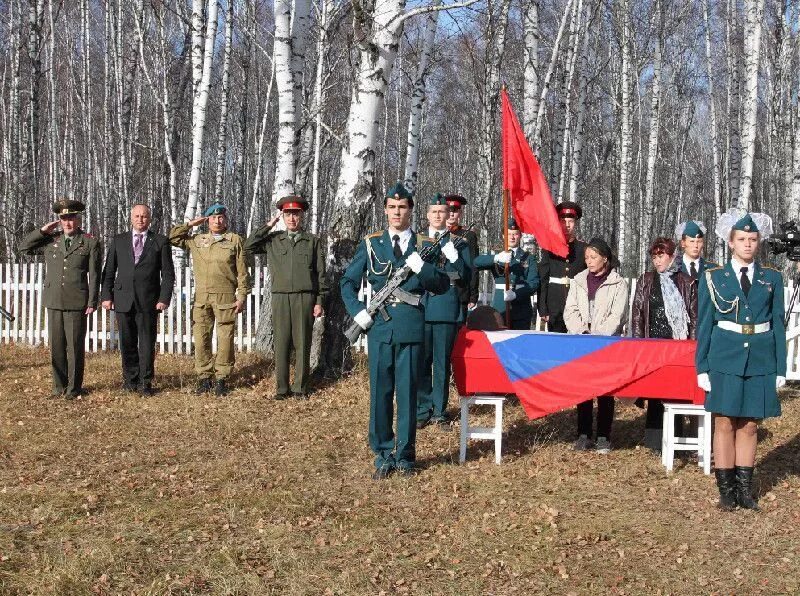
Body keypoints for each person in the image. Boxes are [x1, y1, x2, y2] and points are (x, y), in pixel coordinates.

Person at [340, 182, 450, 480]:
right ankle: (383, 453)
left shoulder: (425, 244)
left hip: (411, 329)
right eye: (391, 207)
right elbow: (347, 283)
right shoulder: (371, 244)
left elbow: (442, 285)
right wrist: (359, 312)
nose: (396, 212)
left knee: (408, 393)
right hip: (379, 329)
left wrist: (422, 268)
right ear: (385, 210)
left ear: (411, 211)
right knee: (380, 392)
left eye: (402, 207)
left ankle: (405, 455)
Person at [696, 210, 785, 511]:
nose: (748, 244)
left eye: (753, 239)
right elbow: (705, 324)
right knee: (724, 422)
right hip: (724, 357)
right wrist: (702, 366)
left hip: (760, 359)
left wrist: (780, 368)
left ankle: (745, 491)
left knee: (749, 425)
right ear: (730, 243)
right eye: (742, 239)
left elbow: (778, 326)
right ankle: (726, 491)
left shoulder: (772, 278)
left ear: (759, 242)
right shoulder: (713, 277)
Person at [244, 195, 328, 400]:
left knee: (302, 343)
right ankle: (281, 388)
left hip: (304, 297)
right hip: (280, 298)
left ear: (302, 216)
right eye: (287, 214)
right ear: (282, 216)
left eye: (296, 214)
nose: (292, 218)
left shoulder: (312, 242)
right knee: (281, 343)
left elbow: (321, 275)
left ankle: (300, 387)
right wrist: (268, 225)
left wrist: (319, 301)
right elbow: (248, 246)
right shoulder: (273, 240)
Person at [20, 199, 102, 399]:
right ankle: (59, 387)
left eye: (71, 218)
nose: (68, 223)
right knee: (56, 346)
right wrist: (42, 231)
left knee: (74, 347)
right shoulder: (51, 240)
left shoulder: (90, 242)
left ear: (78, 219)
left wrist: (92, 302)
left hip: (76, 301)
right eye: (64, 218)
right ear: (59, 220)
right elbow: (24, 248)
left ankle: (73, 389)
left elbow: (95, 274)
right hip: (54, 301)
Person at [169, 204, 250, 396]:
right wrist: (190, 224)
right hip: (202, 298)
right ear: (207, 220)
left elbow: (242, 272)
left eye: (221, 217)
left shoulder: (234, 240)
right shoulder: (197, 240)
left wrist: (242, 296)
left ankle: (222, 378)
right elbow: (173, 237)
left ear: (226, 220)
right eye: (213, 218)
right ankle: (204, 377)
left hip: (225, 296)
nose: (217, 221)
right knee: (201, 337)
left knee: (225, 338)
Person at [101, 204, 175, 396]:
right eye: (137, 216)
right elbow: (109, 270)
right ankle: (130, 380)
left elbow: (167, 274)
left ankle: (145, 382)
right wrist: (106, 296)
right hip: (123, 299)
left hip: (148, 300)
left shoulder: (160, 241)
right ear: (131, 217)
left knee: (147, 343)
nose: (140, 219)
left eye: (144, 216)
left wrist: (163, 298)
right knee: (127, 342)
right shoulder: (119, 240)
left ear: (149, 219)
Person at [631, 237, 697, 450]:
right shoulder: (647, 280)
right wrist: (640, 344)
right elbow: (638, 313)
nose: (657, 261)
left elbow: (694, 317)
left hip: (677, 345)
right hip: (653, 345)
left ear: (671, 256)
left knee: (675, 392)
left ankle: (676, 441)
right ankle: (654, 441)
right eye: (654, 257)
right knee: (655, 392)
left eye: (661, 256)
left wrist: (692, 346)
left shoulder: (686, 282)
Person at [563, 238, 629, 453]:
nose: (589, 262)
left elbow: (617, 315)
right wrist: (581, 331)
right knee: (582, 389)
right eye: (587, 258)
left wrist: (599, 335)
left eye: (593, 257)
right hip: (582, 341)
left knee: (605, 390)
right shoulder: (578, 281)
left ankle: (603, 435)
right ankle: (583, 434)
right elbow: (570, 310)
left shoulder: (618, 284)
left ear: (605, 259)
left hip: (605, 343)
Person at [416, 193, 471, 430]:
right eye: (434, 212)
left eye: (443, 212)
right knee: (421, 360)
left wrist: (454, 257)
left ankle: (439, 411)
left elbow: (466, 275)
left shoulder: (459, 243)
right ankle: (422, 409)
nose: (439, 216)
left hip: (446, 304)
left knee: (441, 362)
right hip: (420, 305)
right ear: (427, 215)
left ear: (448, 215)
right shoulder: (416, 241)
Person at [473, 218, 540, 330]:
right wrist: (496, 258)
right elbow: (476, 262)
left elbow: (534, 283)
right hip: (501, 306)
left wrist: (516, 294)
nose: (512, 237)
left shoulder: (528, 257)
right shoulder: (497, 254)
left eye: (515, 234)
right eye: (509, 234)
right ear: (503, 236)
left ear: (520, 236)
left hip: (521, 308)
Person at [538, 201, 588, 332]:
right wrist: (543, 308)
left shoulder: (583, 248)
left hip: (577, 305)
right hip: (555, 305)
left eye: (570, 221)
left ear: (575, 223)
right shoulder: (550, 248)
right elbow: (543, 279)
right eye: (563, 221)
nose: (567, 225)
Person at [444, 194, 479, 313]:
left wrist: (473, 295)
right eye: (448, 210)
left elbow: (473, 267)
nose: (451, 214)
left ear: (460, 213)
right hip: (437, 292)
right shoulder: (432, 234)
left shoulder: (469, 236)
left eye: (454, 210)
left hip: (460, 291)